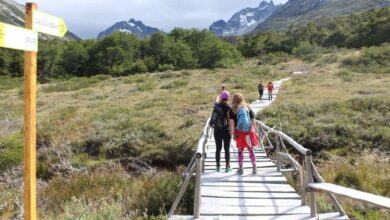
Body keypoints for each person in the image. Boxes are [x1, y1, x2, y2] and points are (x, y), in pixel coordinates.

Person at [229, 93, 257, 175]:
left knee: (240, 151)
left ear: (234, 100)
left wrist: (233, 134)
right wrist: (254, 131)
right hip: (249, 132)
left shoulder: (233, 110)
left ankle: (240, 169)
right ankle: (254, 168)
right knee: (251, 150)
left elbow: (232, 123)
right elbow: (253, 120)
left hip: (239, 133)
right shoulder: (247, 107)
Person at [213, 90, 232, 172]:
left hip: (217, 130)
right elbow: (230, 121)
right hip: (226, 130)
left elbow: (213, 119)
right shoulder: (229, 108)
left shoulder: (216, 106)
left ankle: (217, 166)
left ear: (221, 97)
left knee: (218, 148)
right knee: (226, 149)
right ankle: (227, 167)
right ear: (228, 98)